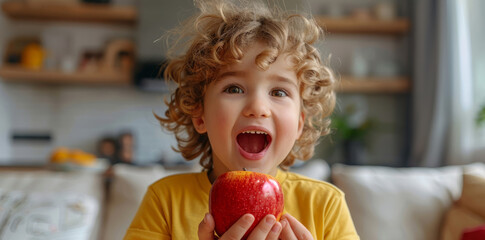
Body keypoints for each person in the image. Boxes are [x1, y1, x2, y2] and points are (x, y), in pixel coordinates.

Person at [124, 0, 359, 239]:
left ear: (299, 123)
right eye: (234, 89)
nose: (258, 108)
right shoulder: (166, 201)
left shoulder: (325, 205)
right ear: (199, 115)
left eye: (279, 92)